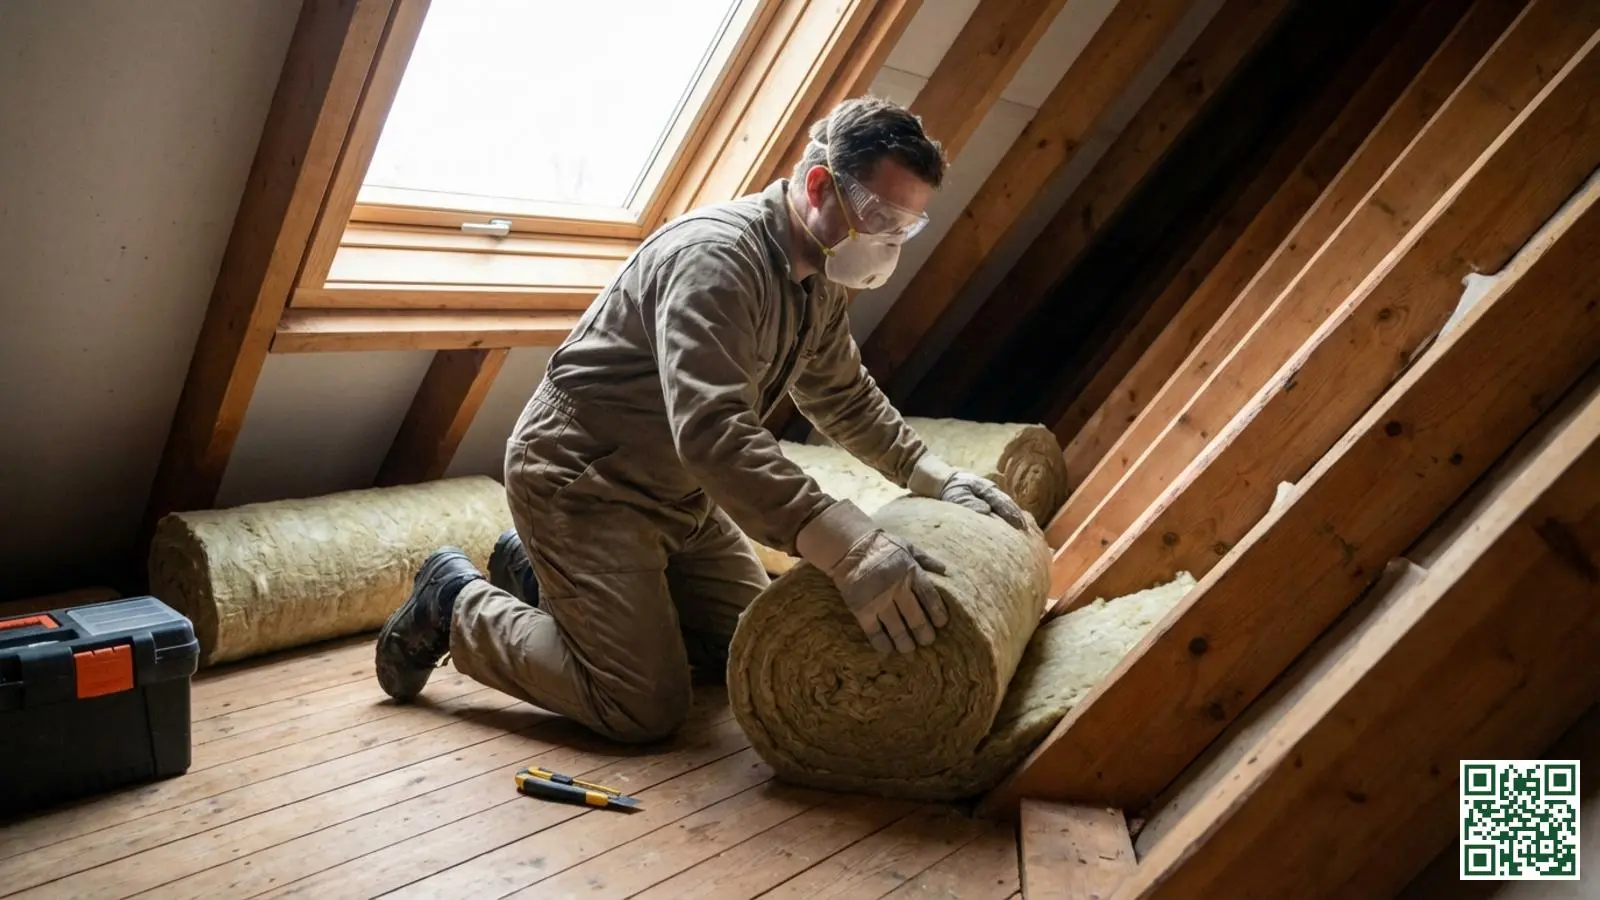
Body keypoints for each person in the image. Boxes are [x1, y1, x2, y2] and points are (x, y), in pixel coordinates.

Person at [373, 96, 1031, 743]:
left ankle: (538, 578)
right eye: (878, 214)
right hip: (586, 486)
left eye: (904, 227)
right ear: (820, 184)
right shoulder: (717, 261)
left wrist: (931, 473)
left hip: (681, 491)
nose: (887, 241)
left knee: (752, 647)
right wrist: (851, 547)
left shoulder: (820, 271)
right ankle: (453, 601)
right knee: (642, 705)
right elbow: (715, 434)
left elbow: (840, 392)